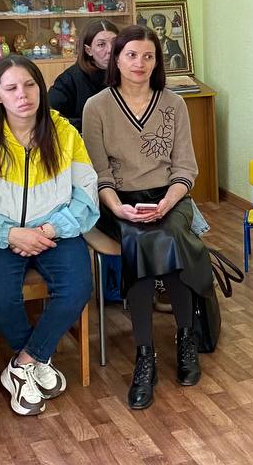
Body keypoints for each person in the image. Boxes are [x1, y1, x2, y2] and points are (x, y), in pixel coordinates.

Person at [0, 56, 98, 416]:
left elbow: (86, 195)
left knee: (78, 287)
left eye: (30, 85)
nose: (23, 94)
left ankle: (23, 364)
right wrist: (9, 234)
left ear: (41, 88)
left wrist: (51, 229)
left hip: (55, 231)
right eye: (12, 88)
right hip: (0, 236)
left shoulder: (66, 134)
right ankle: (36, 359)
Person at [82, 25, 214, 410]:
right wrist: (118, 208)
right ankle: (145, 356)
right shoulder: (96, 107)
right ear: (116, 60)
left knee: (168, 237)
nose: (139, 63)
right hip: (118, 201)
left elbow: (185, 169)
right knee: (140, 241)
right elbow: (99, 174)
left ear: (157, 62)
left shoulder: (173, 104)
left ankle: (185, 339)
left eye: (148, 56)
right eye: (131, 55)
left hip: (169, 197)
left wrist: (167, 203)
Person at [47, 18, 118, 130]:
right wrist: (90, 124)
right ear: (88, 50)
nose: (110, 50)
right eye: (101, 44)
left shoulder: (128, 73)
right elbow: (50, 116)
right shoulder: (69, 79)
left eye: (114, 43)